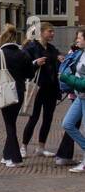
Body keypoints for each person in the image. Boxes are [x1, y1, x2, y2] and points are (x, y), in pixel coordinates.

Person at [0, 24, 33, 167]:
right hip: (19, 92)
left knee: (9, 124)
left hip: (4, 92)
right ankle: (7, 155)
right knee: (11, 122)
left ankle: (15, 158)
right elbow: (30, 74)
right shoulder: (23, 53)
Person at [22, 23, 64, 158]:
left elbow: (57, 64)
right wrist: (35, 63)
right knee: (33, 118)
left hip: (51, 88)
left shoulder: (52, 49)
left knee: (48, 118)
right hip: (37, 88)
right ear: (41, 32)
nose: (52, 34)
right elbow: (24, 65)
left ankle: (41, 146)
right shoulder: (31, 47)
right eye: (50, 31)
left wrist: (61, 59)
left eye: (53, 31)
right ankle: (23, 146)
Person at [54, 30, 85, 166]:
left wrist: (66, 77)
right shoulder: (80, 53)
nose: (76, 40)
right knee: (68, 123)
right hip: (79, 96)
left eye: (79, 38)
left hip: (83, 93)